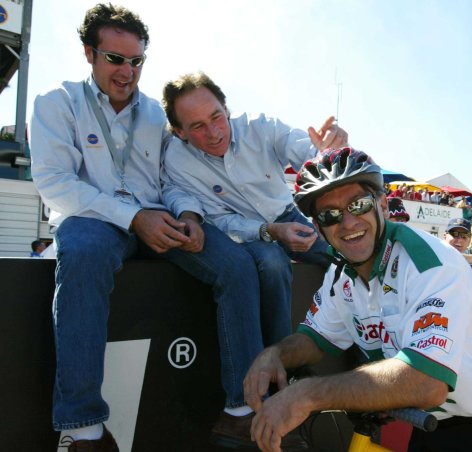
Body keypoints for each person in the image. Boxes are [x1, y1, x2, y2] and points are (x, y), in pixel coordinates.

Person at [30, 5, 284, 450]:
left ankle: (239, 413)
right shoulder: (57, 103)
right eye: (115, 59)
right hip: (95, 223)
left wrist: (189, 215)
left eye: (137, 61)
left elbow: (174, 181)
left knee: (237, 265)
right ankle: (83, 426)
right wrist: (132, 218)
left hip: (160, 221)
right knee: (84, 253)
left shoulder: (156, 116)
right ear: (89, 53)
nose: (127, 72)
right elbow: (54, 183)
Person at [243, 147, 472, 452]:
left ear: (382, 205)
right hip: (431, 421)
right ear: (319, 228)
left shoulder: (429, 263)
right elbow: (316, 338)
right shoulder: (341, 271)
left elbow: (426, 382)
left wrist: (305, 395)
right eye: (330, 215)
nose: (348, 223)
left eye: (358, 204)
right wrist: (274, 355)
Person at [161, 71, 347, 272]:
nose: (214, 133)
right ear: (180, 132)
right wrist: (268, 231)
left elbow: (306, 151)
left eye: (216, 117)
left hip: (289, 216)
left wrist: (328, 149)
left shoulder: (261, 126)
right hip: (241, 233)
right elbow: (216, 219)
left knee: (343, 257)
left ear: (226, 109)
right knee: (272, 261)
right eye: (198, 126)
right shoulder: (177, 160)